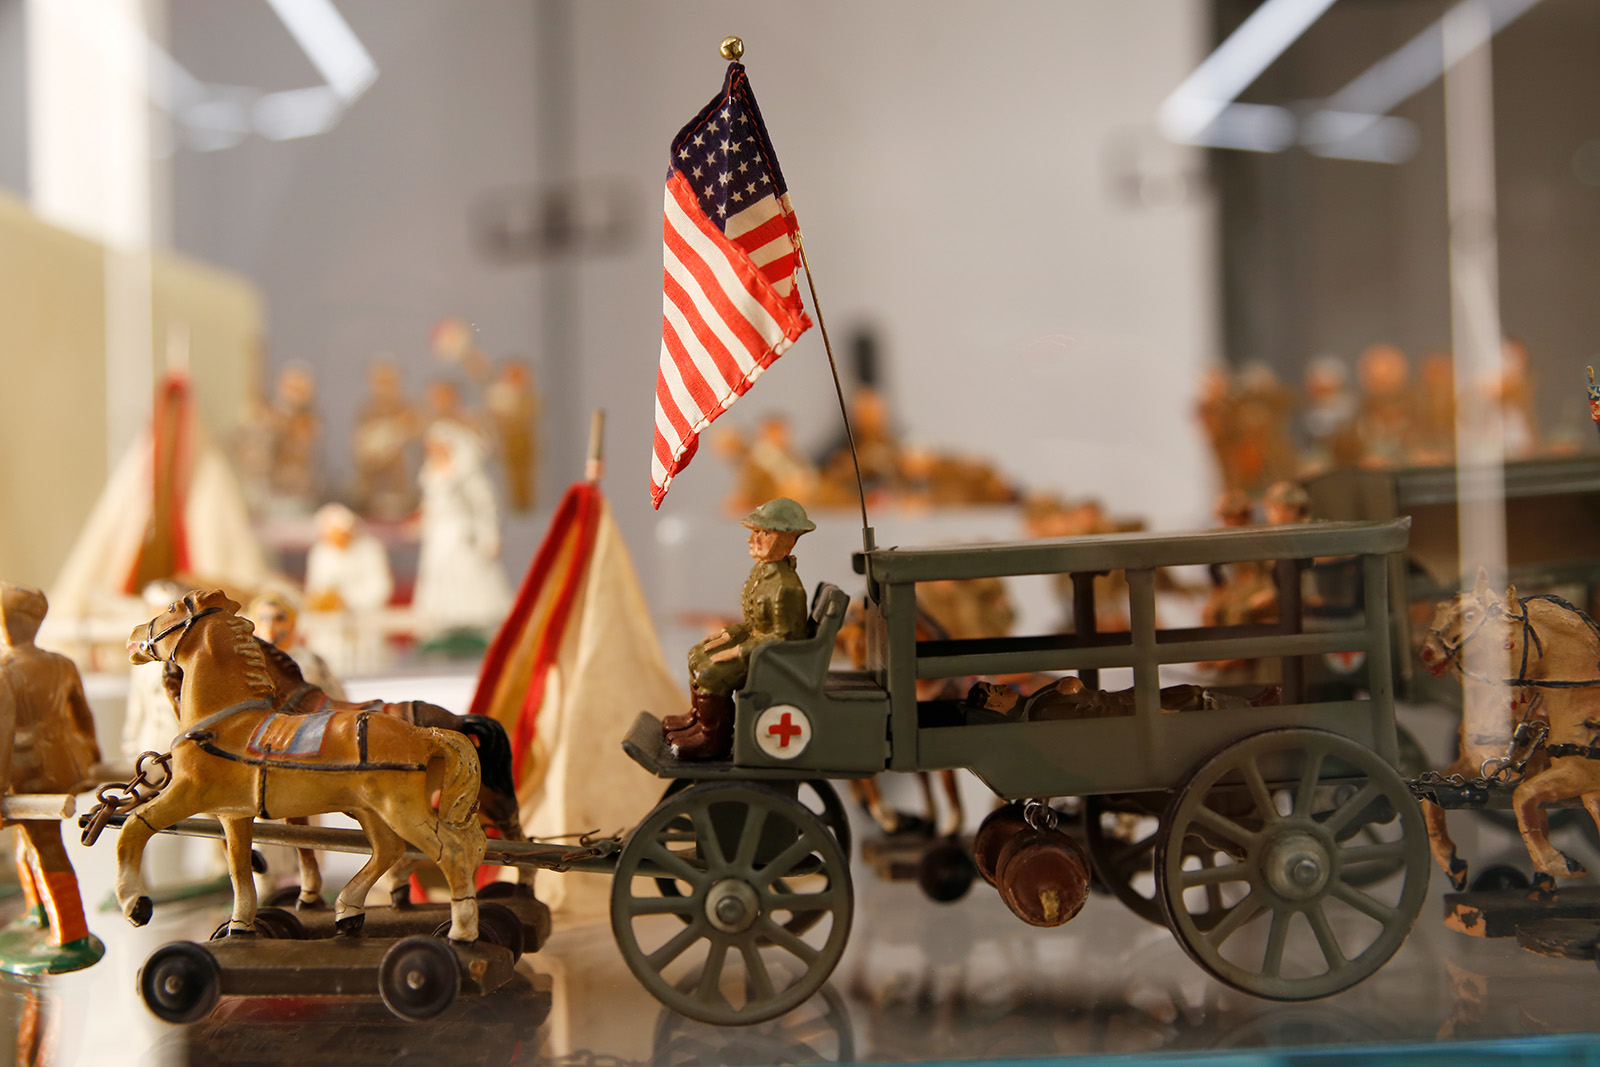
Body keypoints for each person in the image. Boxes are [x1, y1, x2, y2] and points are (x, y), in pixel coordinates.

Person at [0, 583, 104, 972]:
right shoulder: (63, 663)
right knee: (28, 843)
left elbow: (2, 734)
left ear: (8, 624)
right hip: (67, 766)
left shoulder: (6, 672)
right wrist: (92, 753)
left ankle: (71, 931)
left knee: (44, 845)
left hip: (30, 776)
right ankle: (39, 913)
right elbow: (84, 716)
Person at [665, 499, 815, 760]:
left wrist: (735, 652)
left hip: (773, 660)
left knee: (711, 670)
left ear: (787, 539)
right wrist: (726, 636)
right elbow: (755, 624)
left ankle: (713, 740)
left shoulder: (786, 588)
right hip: (759, 648)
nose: (752, 539)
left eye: (763, 533)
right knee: (696, 654)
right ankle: (699, 721)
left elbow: (780, 639)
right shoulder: (763, 573)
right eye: (754, 532)